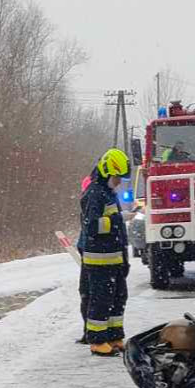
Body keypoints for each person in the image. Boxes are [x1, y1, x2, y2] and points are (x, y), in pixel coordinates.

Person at [78, 148, 132, 355]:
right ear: (107, 172)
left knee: (118, 298)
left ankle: (114, 336)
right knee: (101, 300)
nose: (119, 181)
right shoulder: (95, 194)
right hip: (99, 261)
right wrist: (119, 219)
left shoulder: (108, 193)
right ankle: (97, 341)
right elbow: (91, 226)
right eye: (117, 177)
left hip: (114, 258)